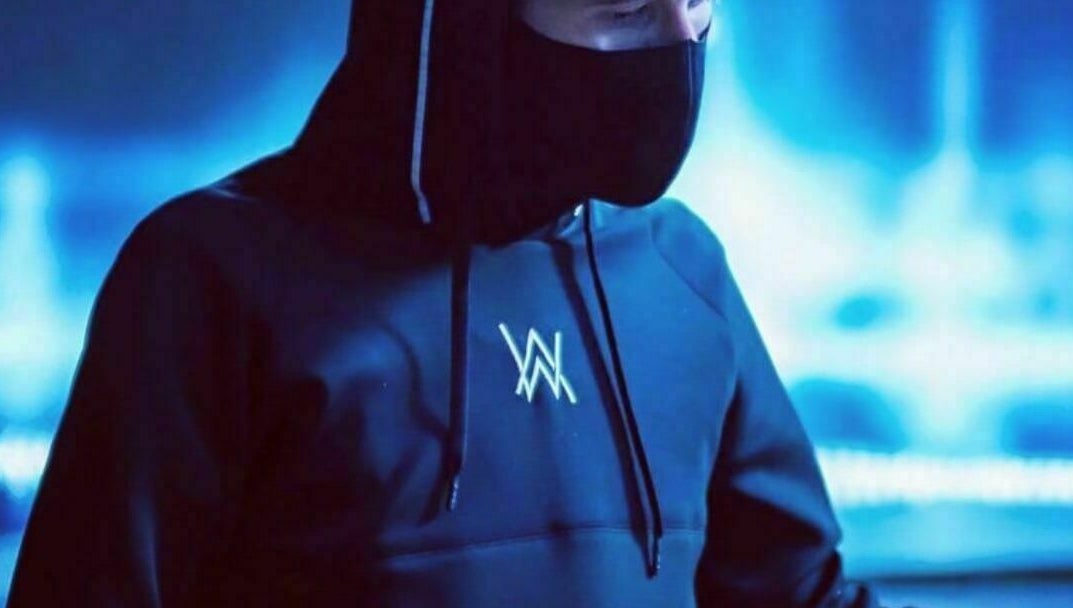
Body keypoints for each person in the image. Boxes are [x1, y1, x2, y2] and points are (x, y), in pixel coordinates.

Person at [9, 1, 891, 606]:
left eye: (697, 4)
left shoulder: (680, 270)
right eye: (623, 12)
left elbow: (796, 594)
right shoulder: (213, 277)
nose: (678, 44)